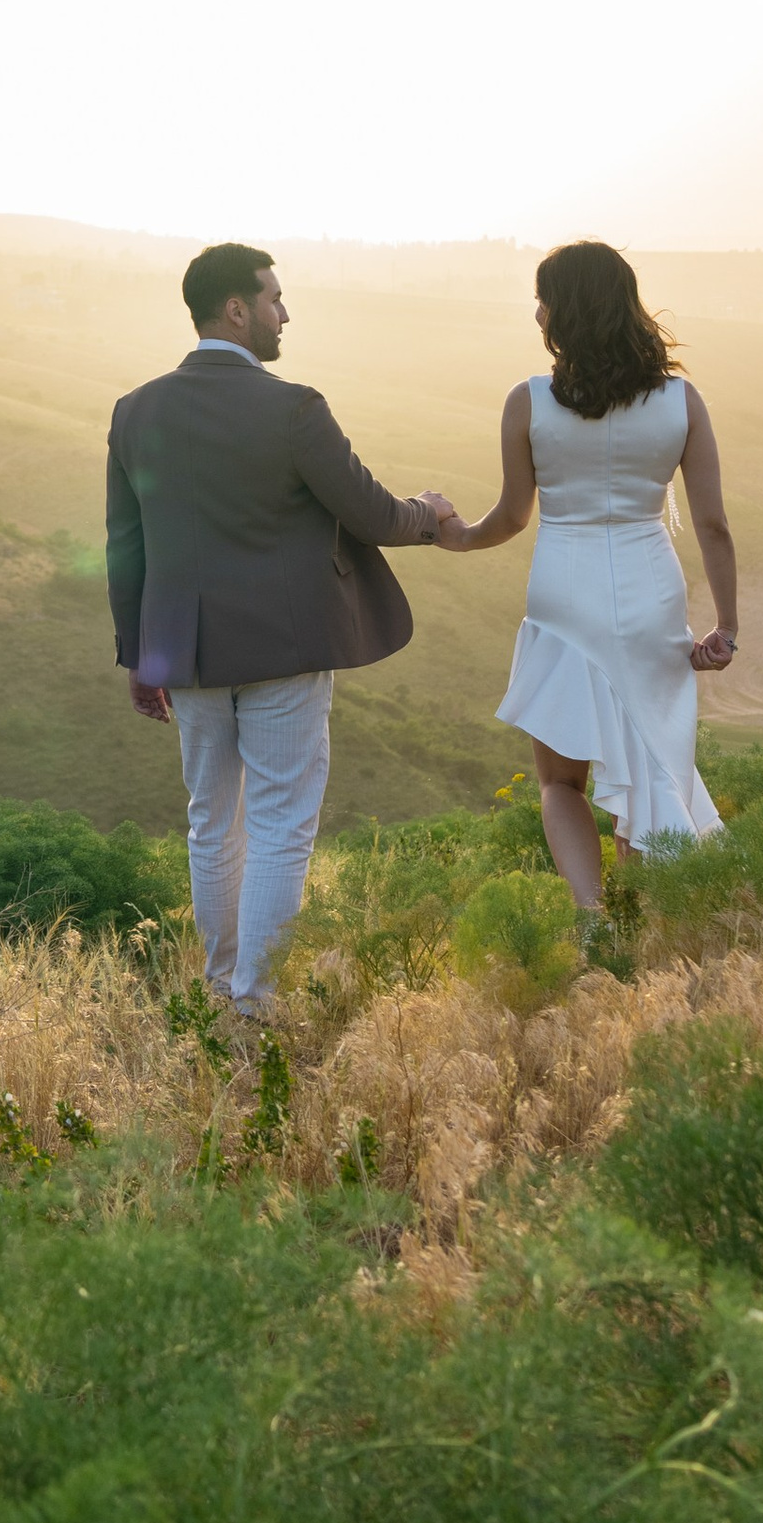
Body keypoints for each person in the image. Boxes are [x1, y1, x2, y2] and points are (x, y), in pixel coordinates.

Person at [106, 243, 454, 1016]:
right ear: (237, 309)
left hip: (186, 655)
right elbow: (370, 511)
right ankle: (255, 1004)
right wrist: (429, 516)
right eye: (275, 299)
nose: (284, 313)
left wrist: (139, 655)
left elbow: (124, 546)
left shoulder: (135, 411)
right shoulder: (293, 407)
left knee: (209, 820)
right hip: (286, 648)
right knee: (281, 824)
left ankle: (219, 984)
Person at [432, 239, 734, 916]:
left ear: (564, 311)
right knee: (655, 761)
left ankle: (596, 919)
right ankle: (654, 913)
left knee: (561, 783)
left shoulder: (528, 401)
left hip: (563, 597)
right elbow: (712, 526)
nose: (536, 313)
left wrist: (453, 537)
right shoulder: (682, 402)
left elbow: (511, 518)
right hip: (648, 591)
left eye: (542, 299)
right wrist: (728, 628)